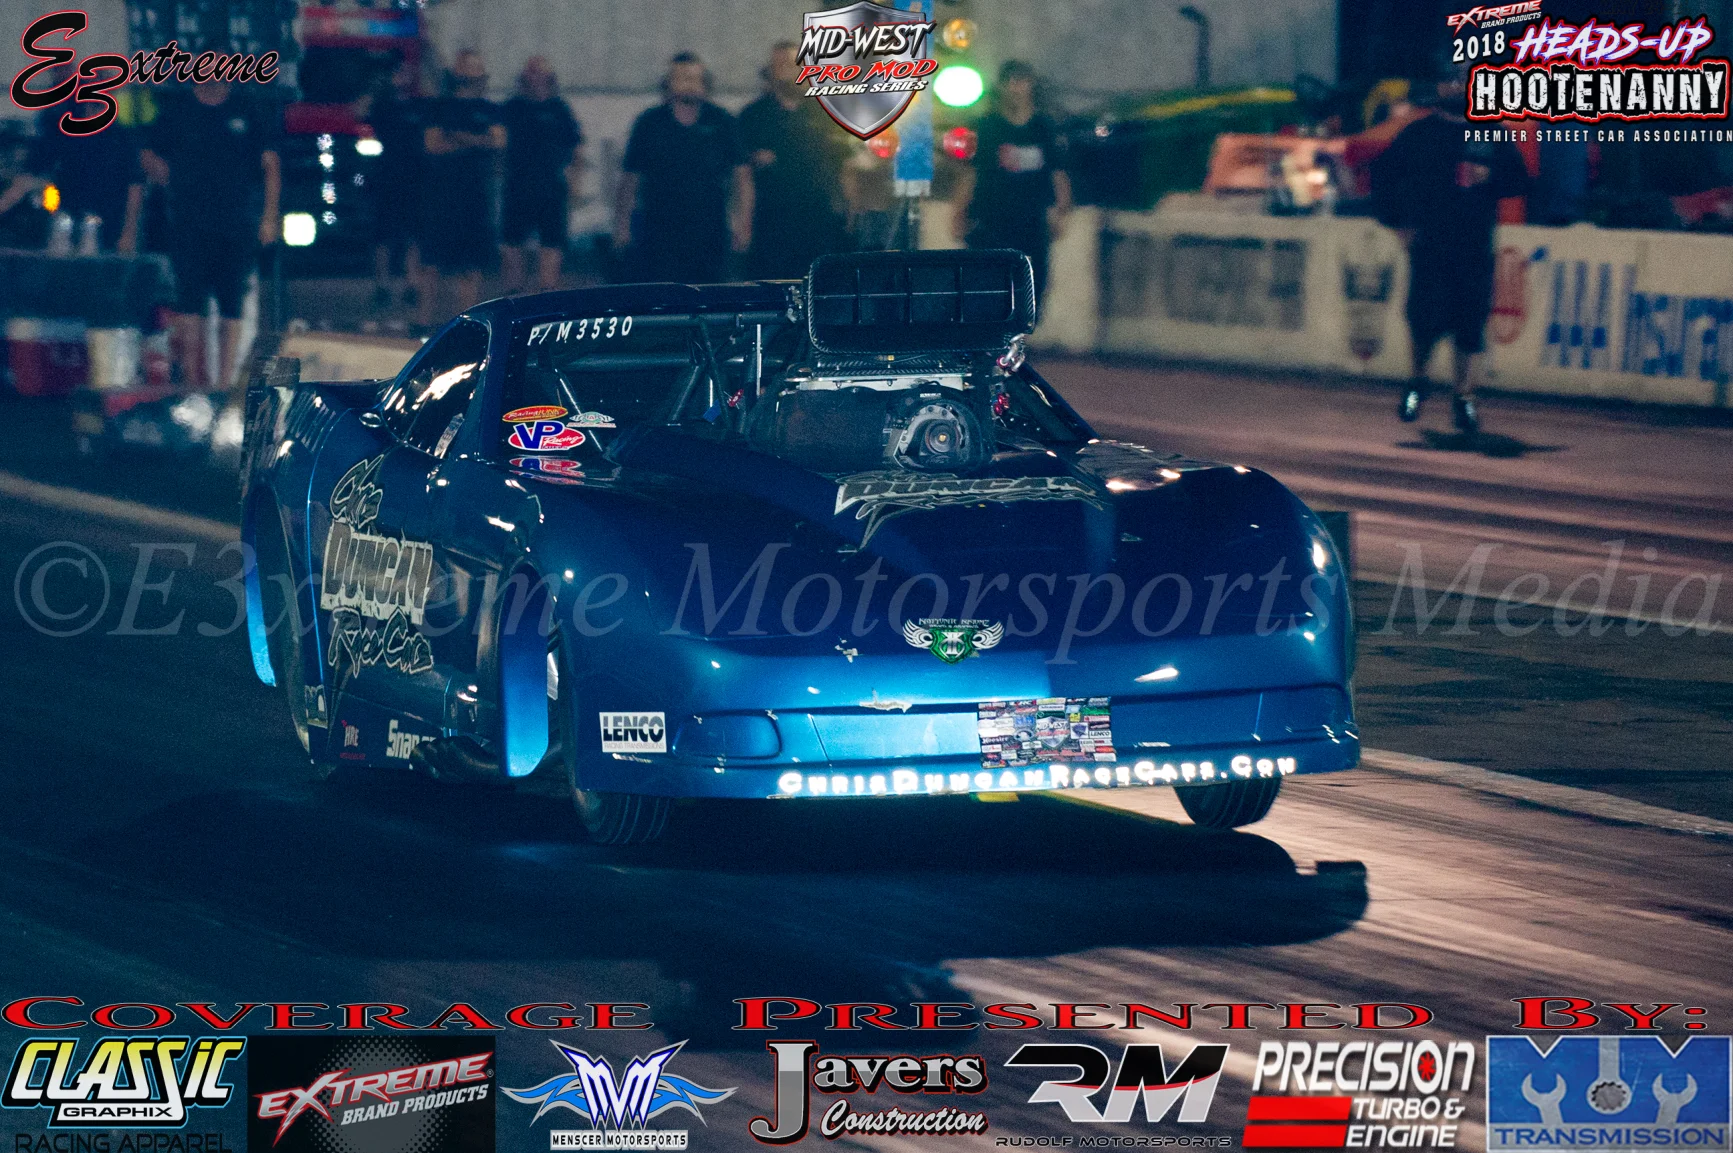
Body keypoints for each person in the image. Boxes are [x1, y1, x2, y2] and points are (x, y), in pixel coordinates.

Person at [1374, 65, 1530, 436]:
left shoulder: (1491, 133)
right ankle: (1417, 381)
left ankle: (1464, 398)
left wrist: (1490, 177)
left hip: (1474, 246)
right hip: (1430, 245)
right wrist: (1399, 224)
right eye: (1451, 81)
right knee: (1423, 320)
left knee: (1470, 325)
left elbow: (1520, 180)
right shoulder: (1418, 133)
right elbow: (1383, 179)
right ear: (1440, 86)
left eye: (1463, 81)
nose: (1457, 87)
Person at [142, 82, 280, 393]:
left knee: (232, 303)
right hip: (188, 224)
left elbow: (270, 164)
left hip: (236, 223)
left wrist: (269, 217)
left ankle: (224, 383)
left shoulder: (246, 109)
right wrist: (172, 179)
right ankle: (192, 383)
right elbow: (148, 153)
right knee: (190, 303)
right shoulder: (179, 110)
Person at [614, 52, 751, 284]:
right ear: (668, 83)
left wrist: (743, 223)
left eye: (695, 78)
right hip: (659, 232)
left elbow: (743, 177)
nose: (689, 84)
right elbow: (630, 179)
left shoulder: (722, 121)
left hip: (710, 231)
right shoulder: (649, 123)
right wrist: (622, 226)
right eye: (682, 78)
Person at [951, 60, 1071, 306]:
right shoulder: (988, 127)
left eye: (1021, 81)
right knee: (983, 284)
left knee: (1032, 286)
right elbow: (972, 172)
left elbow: (1058, 173)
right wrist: (959, 211)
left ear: (1031, 85)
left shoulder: (1044, 128)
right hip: (990, 219)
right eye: (1010, 82)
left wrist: (1062, 212)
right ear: (1002, 87)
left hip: (1031, 221)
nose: (1015, 88)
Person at [737, 41, 846, 279]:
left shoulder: (827, 112)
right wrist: (743, 223)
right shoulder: (753, 116)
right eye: (781, 64)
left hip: (819, 221)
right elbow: (742, 174)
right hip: (770, 224)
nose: (788, 70)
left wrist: (850, 211)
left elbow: (845, 166)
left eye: (793, 64)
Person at [418, 50, 504, 329]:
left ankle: (466, 322)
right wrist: (477, 140)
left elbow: (498, 141)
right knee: (433, 262)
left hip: (475, 195)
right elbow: (433, 145)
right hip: (442, 194)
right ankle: (424, 321)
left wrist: (458, 137)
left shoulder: (489, 109)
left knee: (471, 265)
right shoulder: (439, 108)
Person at [0, 101, 144, 255]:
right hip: (68, 224)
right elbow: (27, 179)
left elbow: (135, 186)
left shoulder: (120, 138)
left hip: (109, 226)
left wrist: (129, 232)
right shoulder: (62, 133)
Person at [499, 56, 583, 293]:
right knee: (512, 248)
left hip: (551, 189)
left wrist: (575, 183)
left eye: (541, 73)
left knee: (551, 248)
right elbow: (498, 146)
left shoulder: (560, 109)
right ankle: (514, 298)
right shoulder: (511, 108)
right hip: (517, 188)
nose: (537, 78)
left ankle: (547, 298)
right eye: (532, 73)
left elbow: (576, 148)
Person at [365, 58, 427, 313]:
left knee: (414, 233)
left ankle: (412, 283)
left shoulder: (419, 105)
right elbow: (358, 112)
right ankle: (382, 284)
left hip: (414, 176)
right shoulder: (383, 105)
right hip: (386, 175)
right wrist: (378, 88)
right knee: (383, 234)